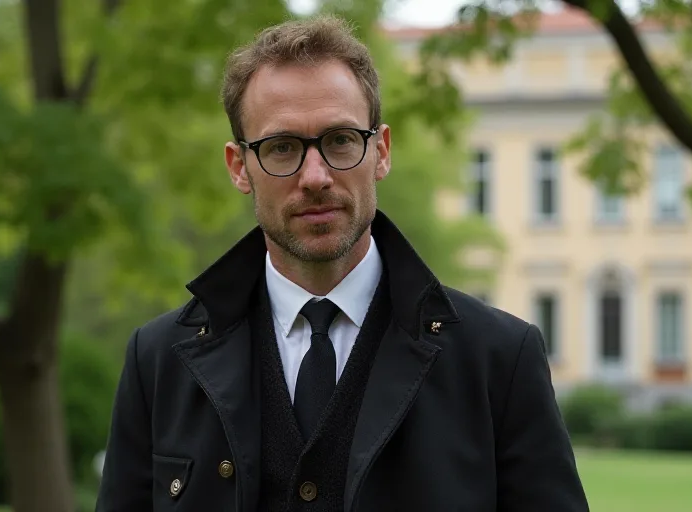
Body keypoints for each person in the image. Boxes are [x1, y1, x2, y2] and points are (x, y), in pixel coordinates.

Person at [95, 14, 589, 512]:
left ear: (381, 152)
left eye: (340, 140)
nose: (316, 176)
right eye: (281, 147)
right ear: (238, 167)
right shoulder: (157, 362)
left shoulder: (499, 360)